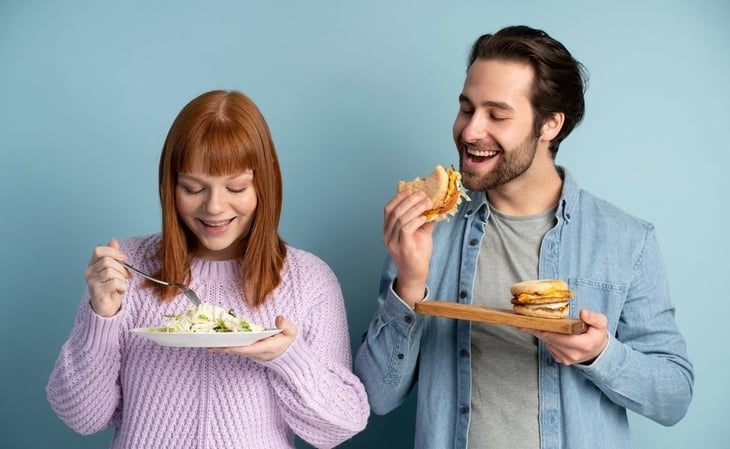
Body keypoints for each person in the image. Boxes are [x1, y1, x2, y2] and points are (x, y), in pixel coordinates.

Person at [354, 25, 693, 449]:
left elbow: (674, 397)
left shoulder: (627, 241)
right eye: (466, 109)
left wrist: (598, 353)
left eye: (497, 115)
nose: (470, 131)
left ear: (550, 124)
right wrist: (408, 284)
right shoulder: (426, 231)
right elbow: (374, 397)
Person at [47, 89, 369, 449]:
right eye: (194, 188)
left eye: (236, 187)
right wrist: (101, 318)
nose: (214, 207)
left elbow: (342, 425)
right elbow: (82, 417)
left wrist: (287, 357)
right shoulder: (129, 268)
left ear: (265, 184)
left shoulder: (310, 280)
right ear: (170, 186)